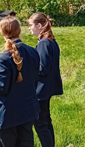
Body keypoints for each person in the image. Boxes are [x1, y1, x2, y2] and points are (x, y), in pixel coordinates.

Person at [0, 16, 40, 147]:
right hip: (28, 110)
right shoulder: (33, 52)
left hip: (7, 114)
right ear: (19, 30)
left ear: (2, 33)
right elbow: (34, 81)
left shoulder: (3, 58)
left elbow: (0, 87)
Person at [27, 12, 63, 147]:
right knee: (46, 122)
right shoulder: (51, 41)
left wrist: (28, 67)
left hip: (41, 90)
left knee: (40, 124)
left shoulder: (43, 43)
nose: (29, 28)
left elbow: (43, 69)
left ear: (40, 25)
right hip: (47, 88)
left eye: (31, 25)